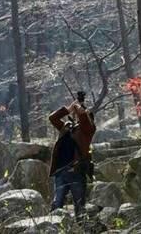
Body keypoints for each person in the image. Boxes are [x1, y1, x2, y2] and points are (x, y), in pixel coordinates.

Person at [49, 93, 96, 221]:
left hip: (76, 172)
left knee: (79, 208)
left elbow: (85, 121)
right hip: (61, 172)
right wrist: (68, 109)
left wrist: (81, 110)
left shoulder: (88, 131)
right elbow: (52, 118)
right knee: (56, 206)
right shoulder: (67, 128)